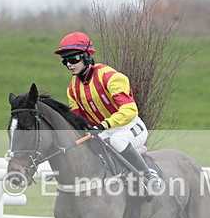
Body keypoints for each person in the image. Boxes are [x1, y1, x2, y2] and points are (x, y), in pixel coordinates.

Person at [54, 31, 161, 194]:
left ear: (86, 57)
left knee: (117, 140)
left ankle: (149, 177)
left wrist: (104, 124)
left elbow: (129, 110)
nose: (69, 64)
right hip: (104, 131)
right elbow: (77, 119)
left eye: (73, 59)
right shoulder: (72, 88)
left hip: (129, 127)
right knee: (88, 147)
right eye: (64, 61)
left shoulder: (110, 77)